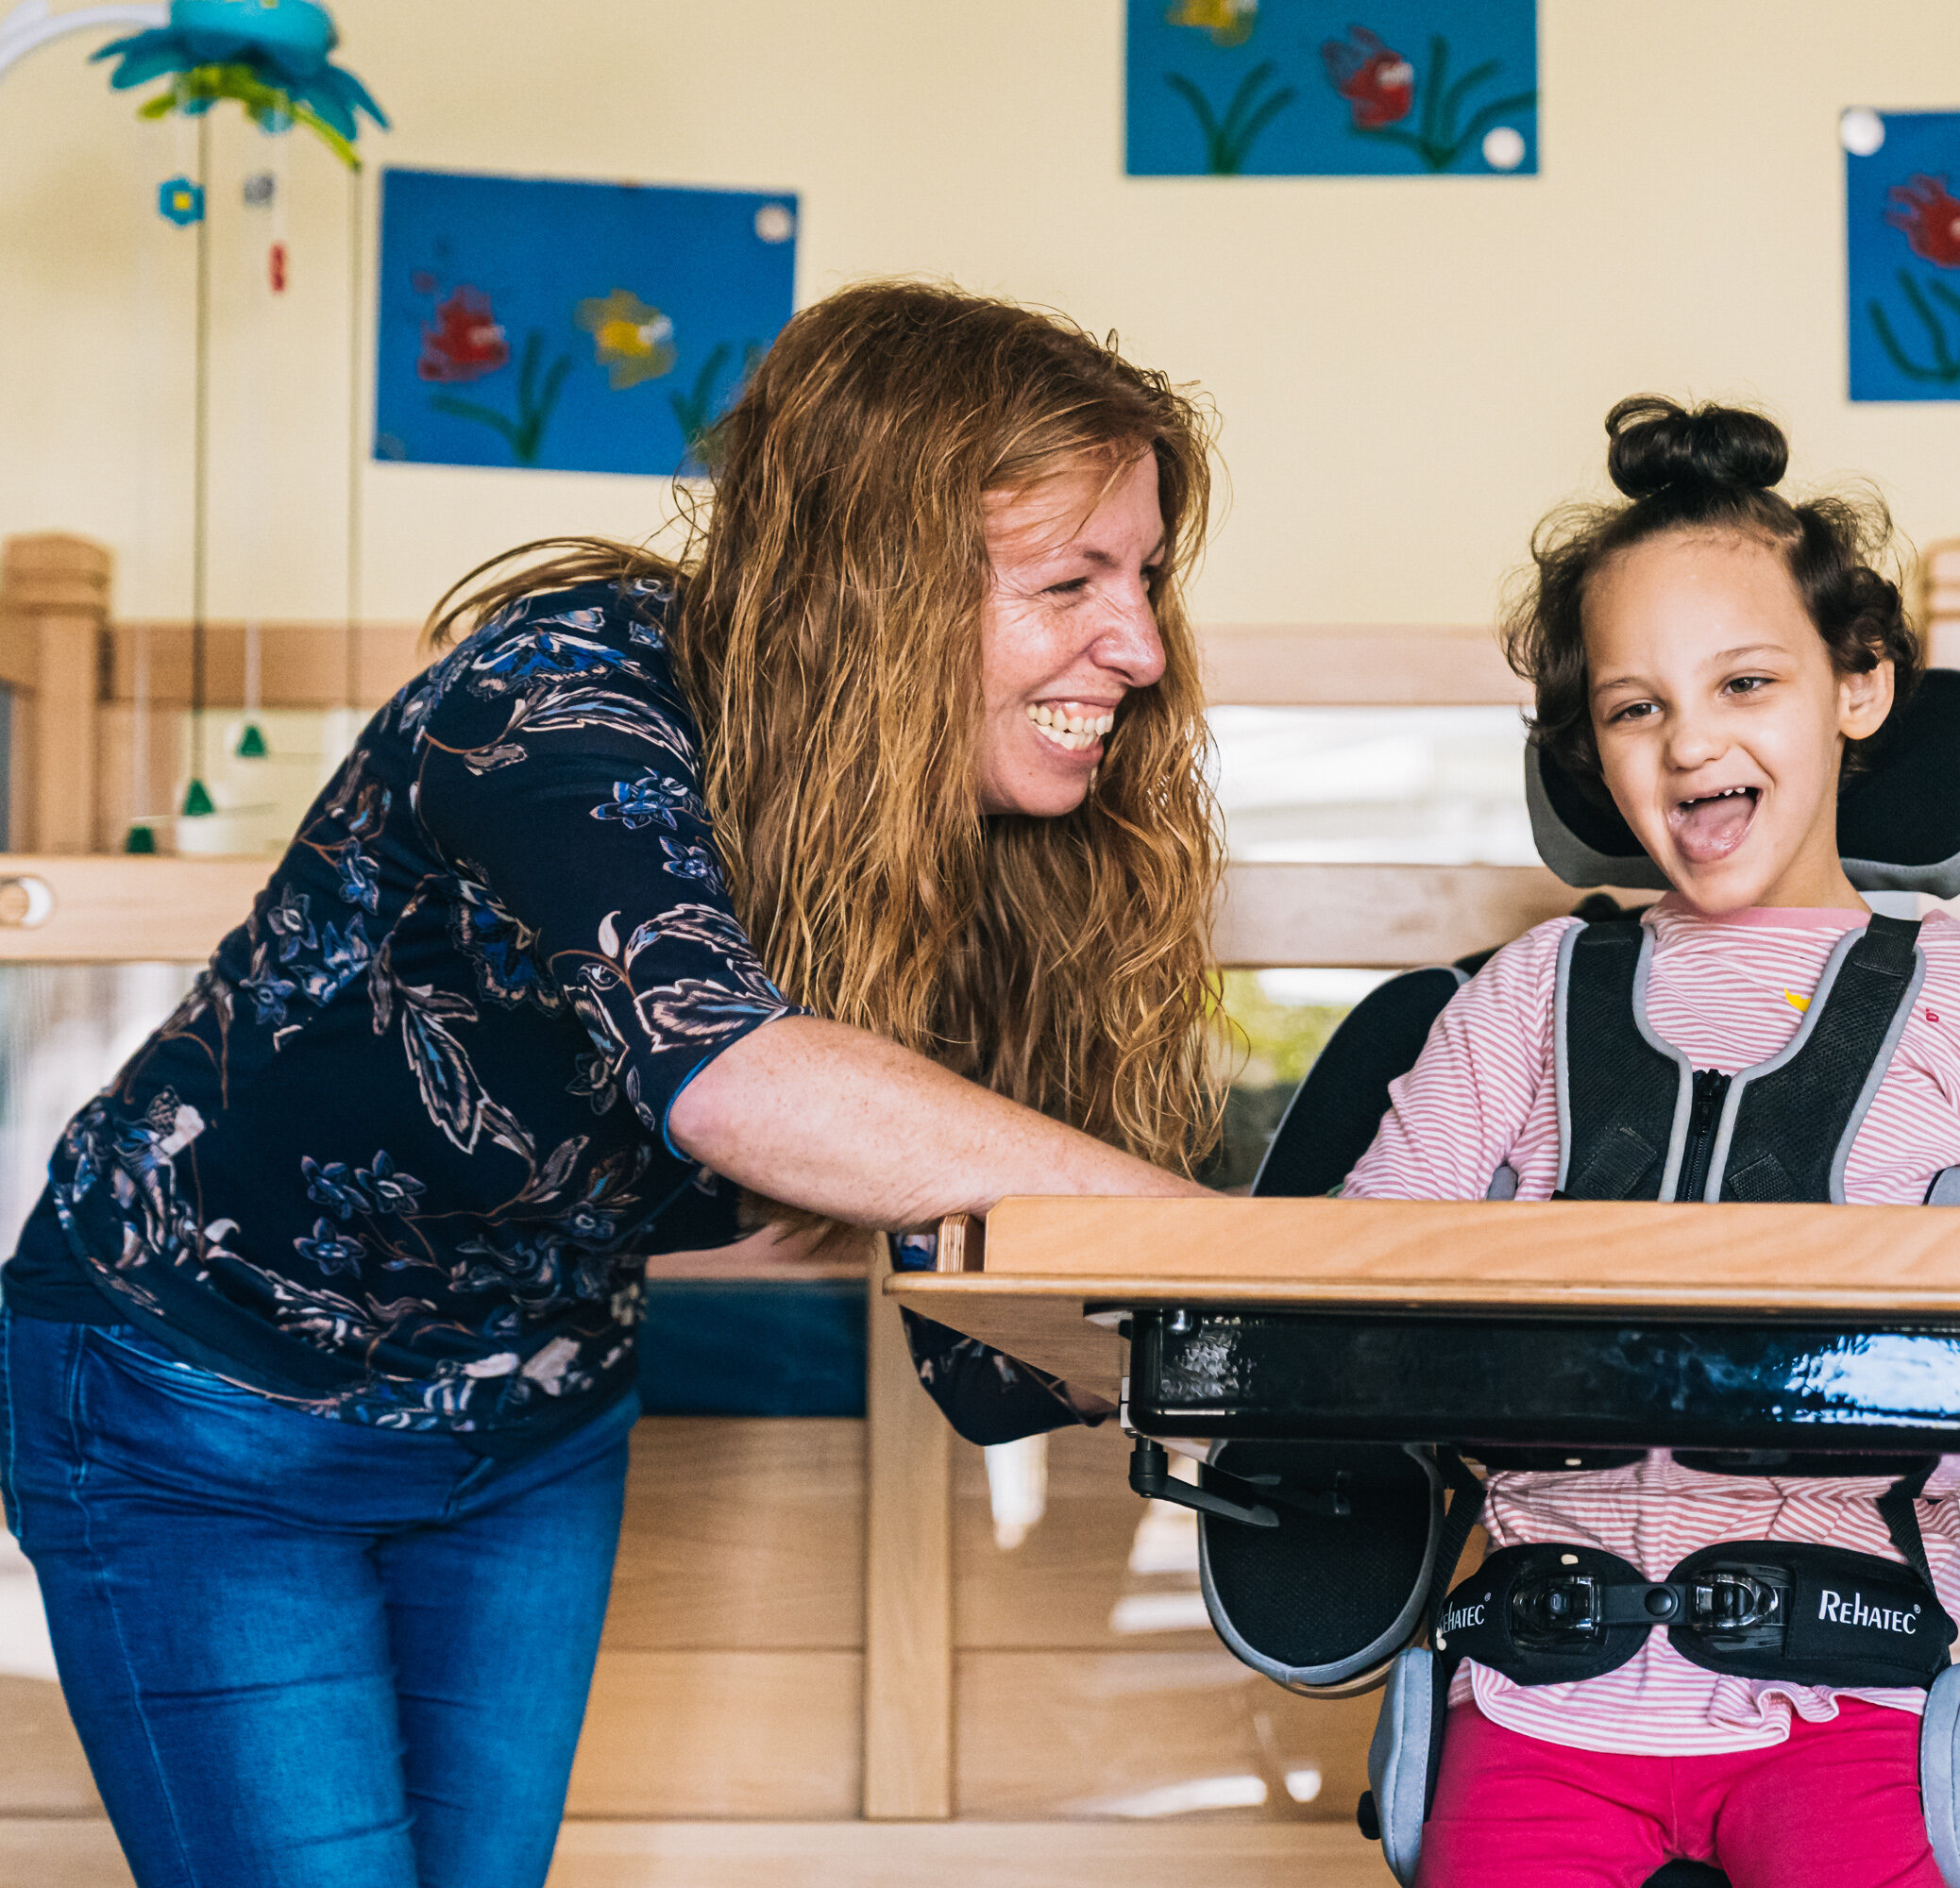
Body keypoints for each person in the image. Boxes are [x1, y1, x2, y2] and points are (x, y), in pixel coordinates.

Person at [0, 280, 1222, 1888]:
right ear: (877, 584)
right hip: (208, 1399)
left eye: (1144, 576)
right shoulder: (555, 704)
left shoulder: (949, 822)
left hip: (533, 1416)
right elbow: (733, 1076)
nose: (1140, 646)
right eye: (1070, 581)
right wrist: (1231, 1255)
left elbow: (985, 1322)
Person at [1344, 397, 1960, 1888]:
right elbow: (1340, 1283)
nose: (1692, 742)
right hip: (1534, 1691)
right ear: (1590, 749)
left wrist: (1921, 1367)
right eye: (1634, 708)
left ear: (1860, 684)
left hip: (1843, 1693)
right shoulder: (1526, 994)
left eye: (1747, 682)